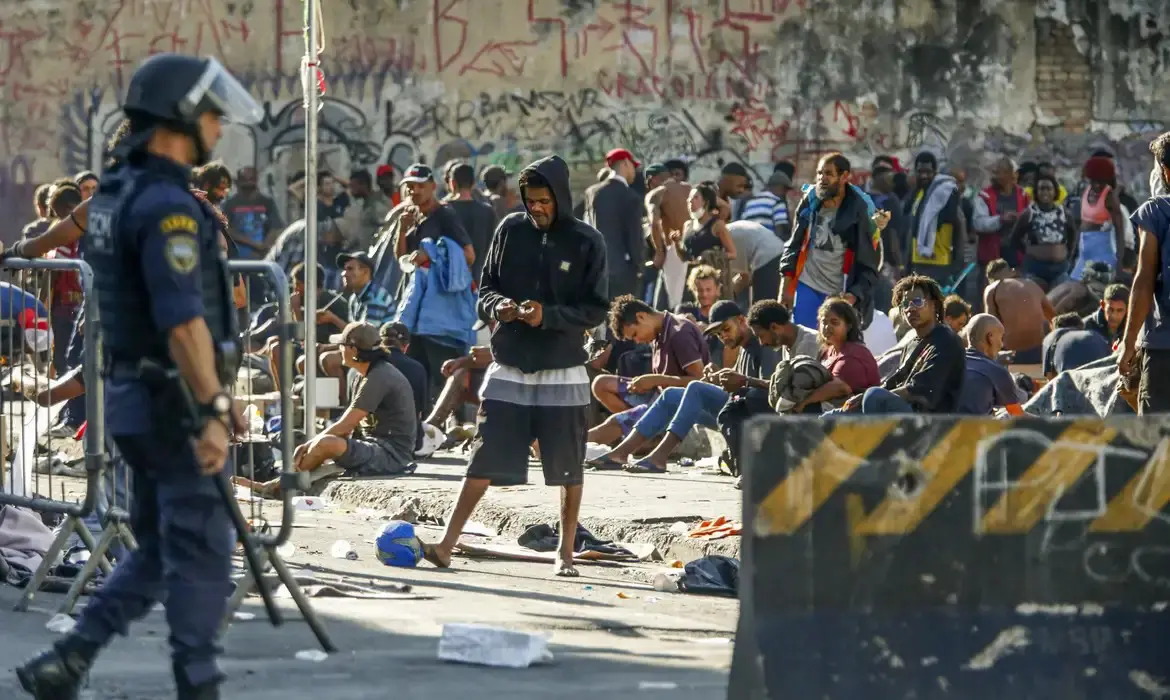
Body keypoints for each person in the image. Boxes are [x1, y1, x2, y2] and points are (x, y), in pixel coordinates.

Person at [16, 54, 262, 700]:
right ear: (181, 118)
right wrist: (213, 406)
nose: (218, 126)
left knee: (155, 548)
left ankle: (69, 657)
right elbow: (181, 322)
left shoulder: (115, 194)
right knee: (202, 551)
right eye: (210, 114)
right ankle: (197, 685)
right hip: (172, 403)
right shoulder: (167, 207)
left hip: (134, 397)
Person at [421, 155, 609, 578]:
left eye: (544, 201)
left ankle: (565, 553)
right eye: (530, 201)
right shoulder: (510, 229)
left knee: (567, 466)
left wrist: (549, 316)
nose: (536, 208)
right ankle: (446, 545)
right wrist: (499, 307)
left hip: (563, 369)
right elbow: (485, 288)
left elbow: (596, 309)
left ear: (560, 197)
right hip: (509, 366)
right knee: (483, 456)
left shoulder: (587, 241)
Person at [587, 300, 779, 474]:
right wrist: (719, 376)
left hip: (752, 416)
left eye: (726, 329)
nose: (723, 337)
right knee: (671, 395)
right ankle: (620, 454)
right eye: (718, 334)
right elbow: (738, 384)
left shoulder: (763, 344)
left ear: (741, 320)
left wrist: (742, 381)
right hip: (734, 410)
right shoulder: (743, 349)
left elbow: (768, 392)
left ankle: (659, 457)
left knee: (695, 387)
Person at [779, 152, 882, 331]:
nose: (822, 179)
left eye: (828, 174)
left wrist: (853, 296)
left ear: (844, 176)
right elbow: (794, 245)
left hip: (838, 293)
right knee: (804, 340)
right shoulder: (810, 202)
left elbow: (868, 264)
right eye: (819, 173)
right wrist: (785, 288)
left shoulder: (858, 210)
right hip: (807, 284)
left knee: (832, 343)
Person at [838, 275, 966, 415]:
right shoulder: (912, 343)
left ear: (934, 305)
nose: (910, 308)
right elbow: (894, 382)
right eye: (905, 304)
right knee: (838, 412)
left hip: (931, 422)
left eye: (917, 302)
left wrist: (872, 396)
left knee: (874, 396)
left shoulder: (947, 341)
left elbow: (919, 390)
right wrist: (862, 397)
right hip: (904, 414)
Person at [1119, 132, 1170, 413]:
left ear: (1165, 172)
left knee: (1154, 433)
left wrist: (1129, 344)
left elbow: (1144, 280)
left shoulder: (1155, 212)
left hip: (1163, 347)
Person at [794, 297, 880, 412]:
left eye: (834, 322)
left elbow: (839, 388)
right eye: (824, 322)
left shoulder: (853, 354)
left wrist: (804, 403)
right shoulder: (827, 351)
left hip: (860, 415)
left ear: (848, 326)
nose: (827, 327)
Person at [582, 148, 645, 299]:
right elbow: (635, 238)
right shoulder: (630, 197)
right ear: (625, 163)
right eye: (633, 166)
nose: (634, 172)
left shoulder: (592, 193)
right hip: (622, 271)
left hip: (596, 269)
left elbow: (586, 227)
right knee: (621, 311)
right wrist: (639, 266)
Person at [1010, 173, 1076, 290]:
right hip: (1035, 269)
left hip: (1060, 269)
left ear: (1055, 192)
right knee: (1034, 299)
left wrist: (1067, 257)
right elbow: (1014, 239)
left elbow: (1073, 237)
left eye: (1049, 189)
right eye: (1041, 189)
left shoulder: (1065, 214)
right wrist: (1029, 252)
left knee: (1059, 299)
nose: (1045, 192)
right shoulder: (1028, 214)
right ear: (1036, 192)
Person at [984, 258, 1056, 364]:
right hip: (1039, 352)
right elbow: (1054, 318)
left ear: (990, 279)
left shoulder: (992, 288)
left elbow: (989, 326)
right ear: (1012, 272)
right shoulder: (1032, 284)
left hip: (1010, 354)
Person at [1071, 156, 1127, 281]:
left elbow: (1120, 231)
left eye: (1101, 182)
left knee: (1098, 286)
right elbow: (1080, 227)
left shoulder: (1110, 197)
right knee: (1075, 282)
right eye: (1094, 181)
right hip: (1084, 250)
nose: (1097, 185)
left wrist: (1119, 262)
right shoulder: (1085, 191)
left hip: (1102, 250)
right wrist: (1073, 254)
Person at [958, 313, 1025, 415]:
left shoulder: (950, 361)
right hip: (976, 425)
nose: (1002, 345)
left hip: (942, 423)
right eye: (1001, 338)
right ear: (990, 337)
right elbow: (1017, 415)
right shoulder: (997, 371)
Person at [1044, 312, 1112, 379]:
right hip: (1104, 376)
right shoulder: (1096, 335)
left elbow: (1050, 378)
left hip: (1073, 380)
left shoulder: (1053, 336)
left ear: (1054, 329)